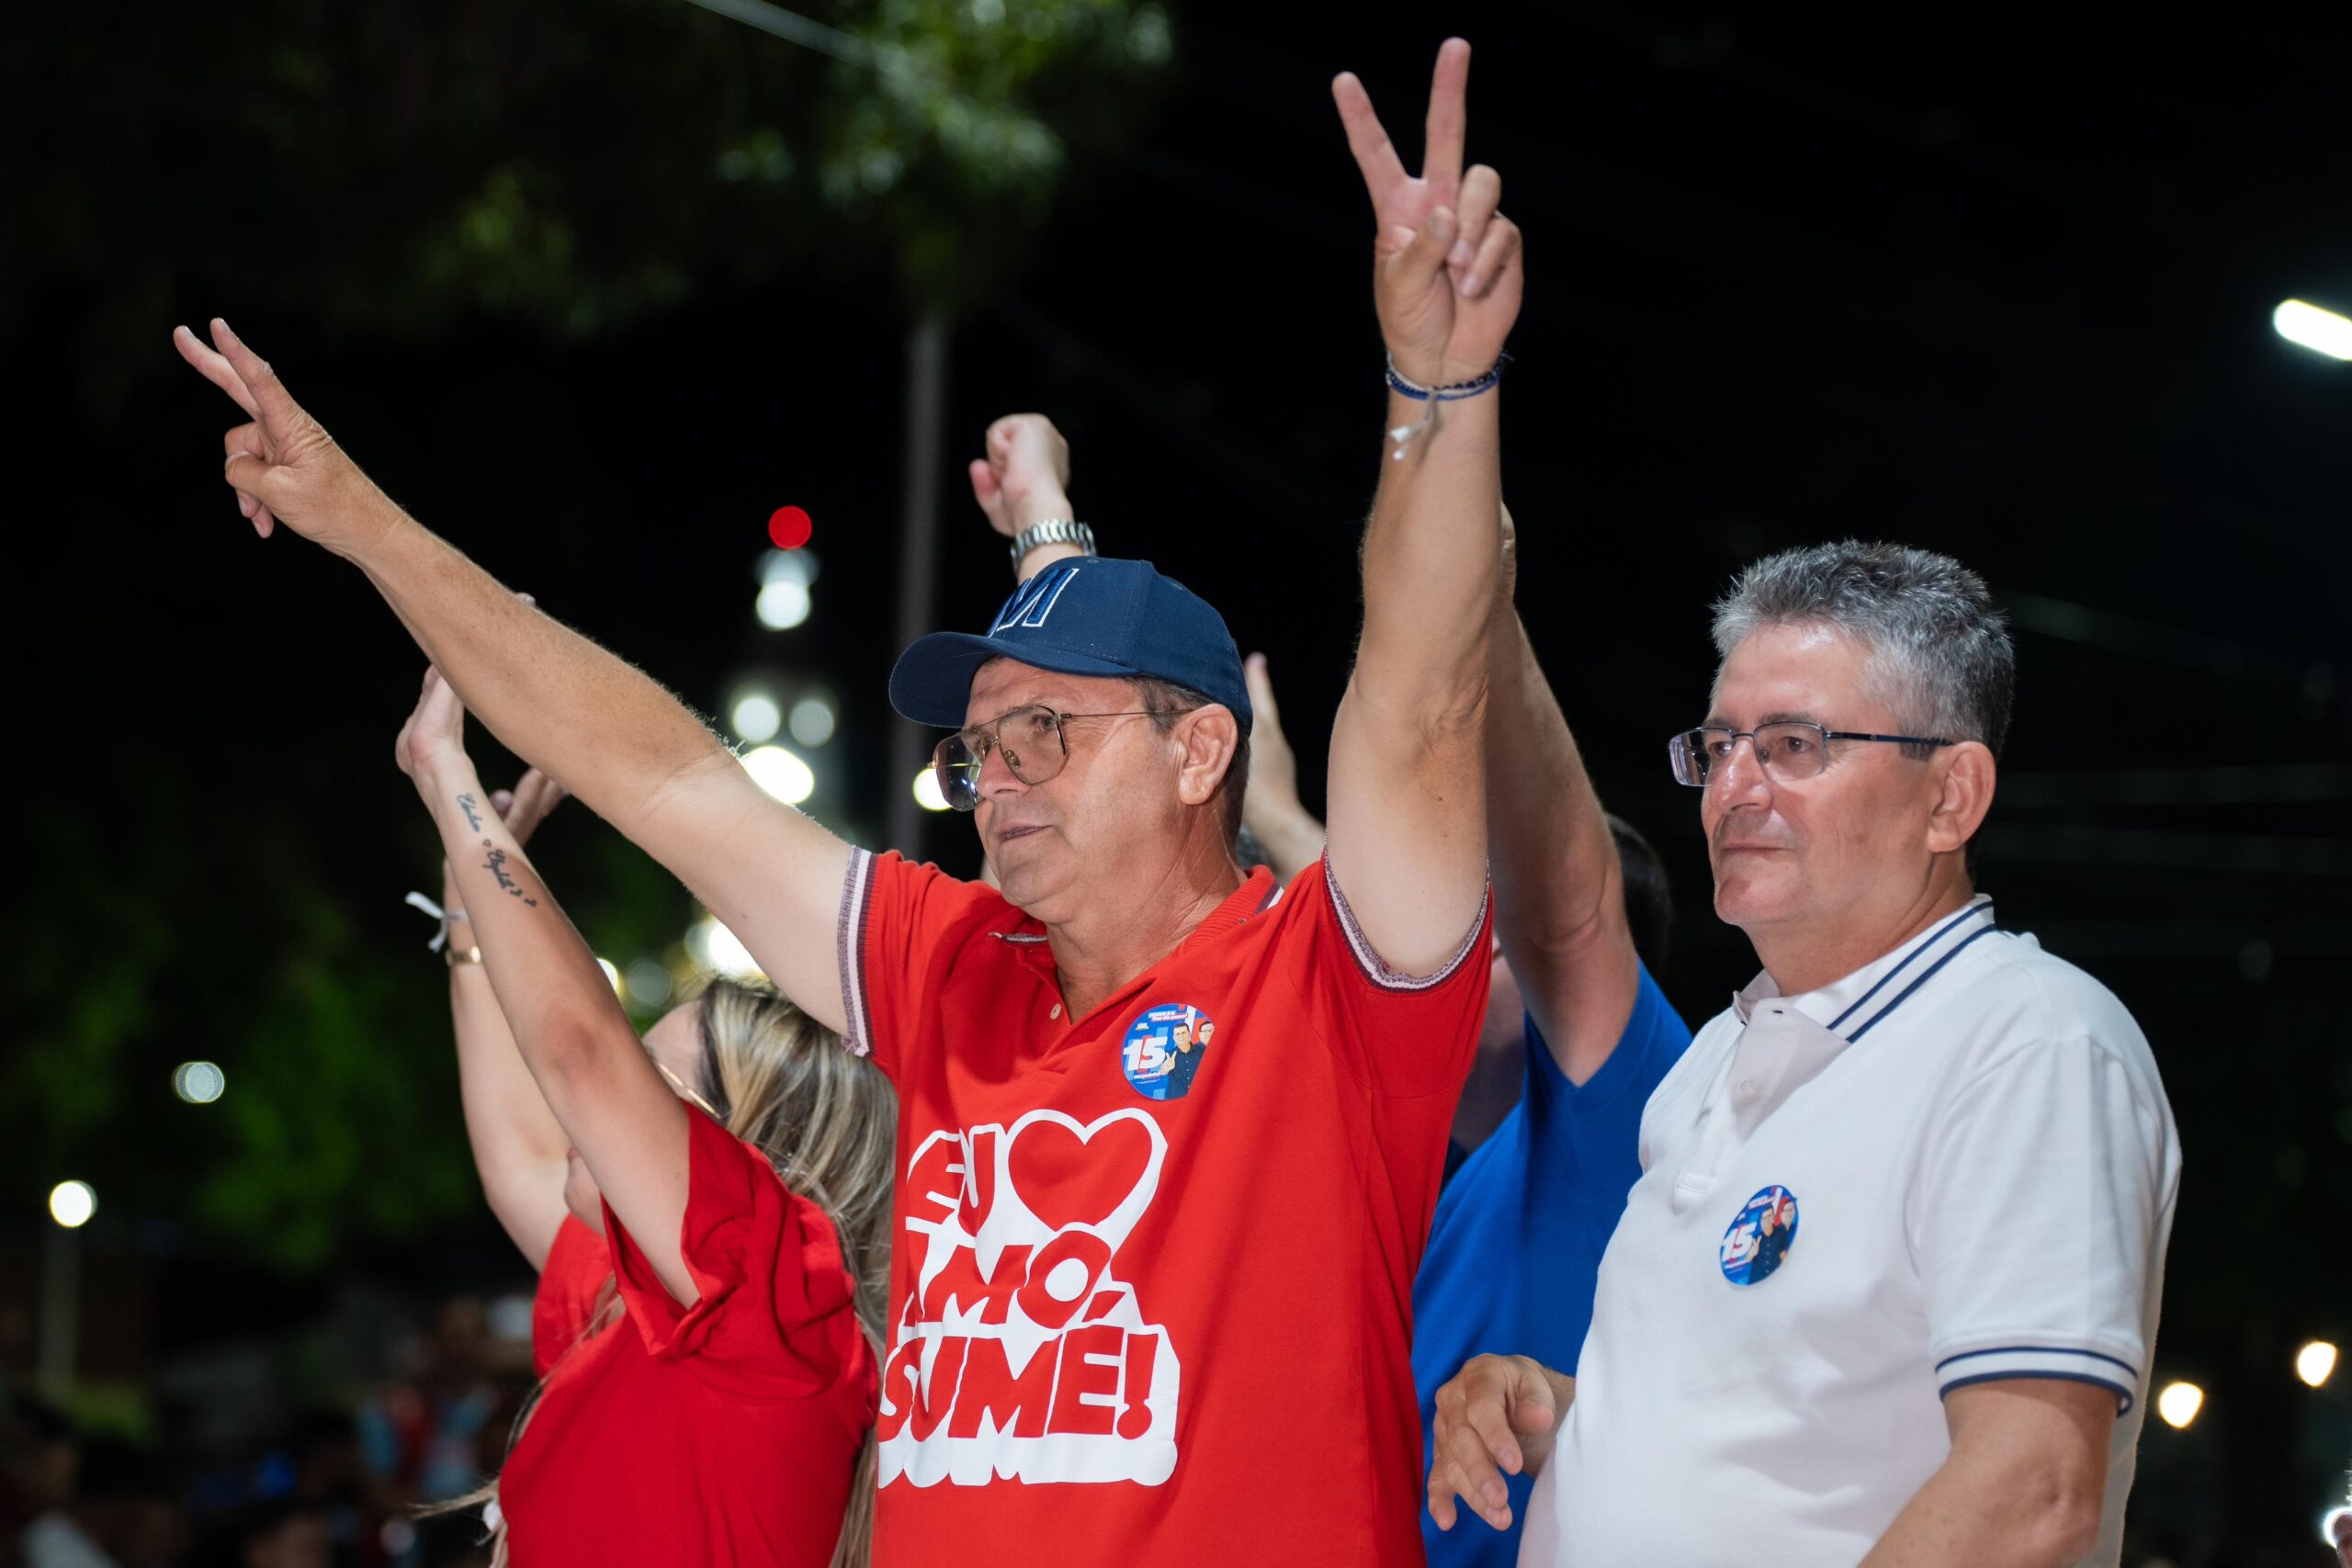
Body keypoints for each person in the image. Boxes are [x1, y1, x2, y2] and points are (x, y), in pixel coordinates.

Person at [177, 36, 1519, 1564]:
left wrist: (1440, 384)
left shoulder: (1329, 987)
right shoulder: (951, 967)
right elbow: (657, 768)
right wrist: (360, 517)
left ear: (1203, 755)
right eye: (976, 751)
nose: (991, 787)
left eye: (1041, 742)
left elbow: (1419, 699)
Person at [1428, 542, 2180, 1568]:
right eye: (1720, 744)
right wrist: (1551, 1407)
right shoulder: (1714, 1061)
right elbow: (1761, 1443)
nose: (1732, 788)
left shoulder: (2026, 1040)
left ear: (1950, 796)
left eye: (1792, 745)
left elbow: (2031, 1495)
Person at [1226, 518, 1694, 1568]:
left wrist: (1472, 600)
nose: (1438, 956)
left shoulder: (1622, 1113)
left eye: (1483, 935)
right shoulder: (1454, 1175)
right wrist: (1272, 807)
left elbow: (1563, 906)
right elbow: (1384, 940)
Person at [391, 672, 891, 1567]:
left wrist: (450, 781)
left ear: (751, 1153)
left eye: (650, 1087)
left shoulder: (776, 1307)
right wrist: (467, 907)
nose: (603, 1109)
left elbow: (579, 1055)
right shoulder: (641, 1307)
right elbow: (525, 1167)